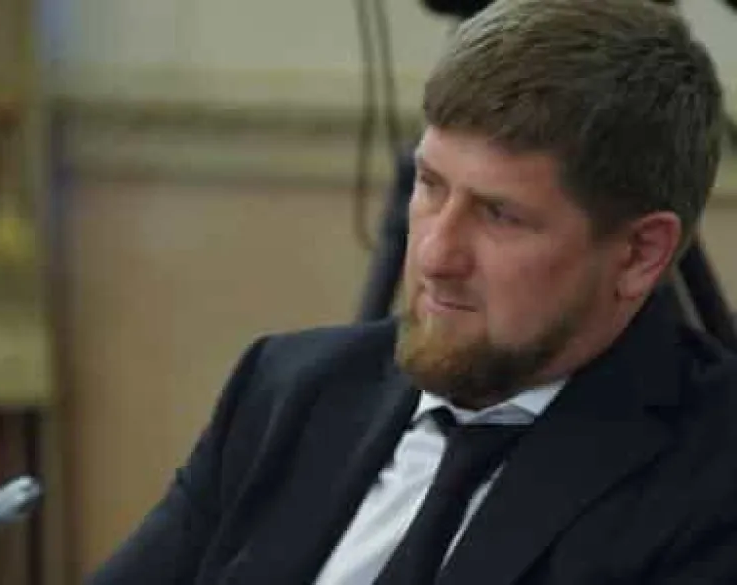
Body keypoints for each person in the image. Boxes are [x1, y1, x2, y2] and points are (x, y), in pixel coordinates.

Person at [87, 0, 737, 583]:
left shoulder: (710, 480)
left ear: (639, 252)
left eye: (499, 215)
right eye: (430, 185)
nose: (433, 255)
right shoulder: (288, 389)